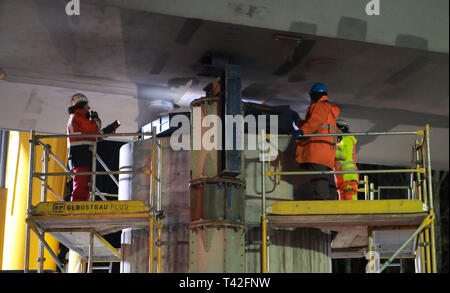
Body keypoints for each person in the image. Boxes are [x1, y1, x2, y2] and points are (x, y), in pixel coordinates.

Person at [291, 83, 340, 200]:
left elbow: (315, 122)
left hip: (317, 150)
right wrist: (299, 123)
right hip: (327, 153)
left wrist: (302, 132)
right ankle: (334, 204)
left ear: (313, 95)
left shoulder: (319, 106)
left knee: (319, 180)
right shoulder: (329, 110)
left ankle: (322, 204)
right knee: (328, 180)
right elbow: (318, 125)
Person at [67, 93, 119, 201]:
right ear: (81, 104)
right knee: (81, 184)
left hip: (83, 155)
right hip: (79, 156)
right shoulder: (76, 117)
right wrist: (96, 119)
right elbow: (93, 129)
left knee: (86, 185)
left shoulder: (79, 119)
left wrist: (108, 130)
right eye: (87, 105)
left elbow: (94, 136)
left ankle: (81, 205)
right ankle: (75, 207)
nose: (89, 107)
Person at [334, 119, 359, 200]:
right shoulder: (342, 141)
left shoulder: (347, 139)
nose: (333, 131)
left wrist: (330, 151)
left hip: (348, 177)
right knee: (343, 208)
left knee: (351, 207)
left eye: (335, 128)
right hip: (343, 177)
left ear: (341, 128)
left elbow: (343, 155)